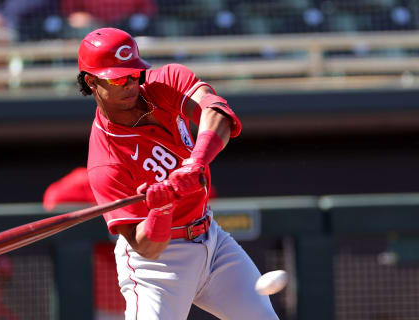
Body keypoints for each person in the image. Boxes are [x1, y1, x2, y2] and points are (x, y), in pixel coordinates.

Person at [77, 28, 279, 319]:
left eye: (134, 73)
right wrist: (161, 209)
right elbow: (147, 248)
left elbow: (217, 111)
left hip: (212, 239)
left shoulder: (165, 81)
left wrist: (196, 162)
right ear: (92, 81)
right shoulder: (105, 163)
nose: (131, 83)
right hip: (158, 268)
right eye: (118, 78)